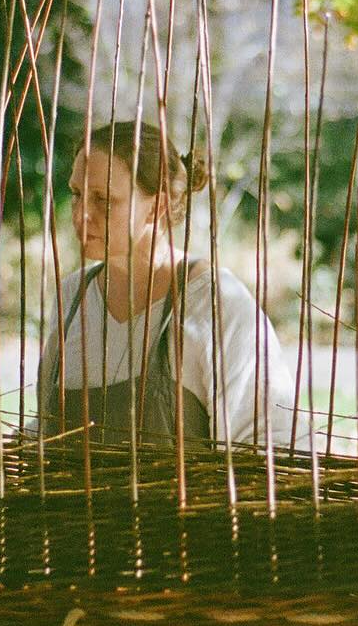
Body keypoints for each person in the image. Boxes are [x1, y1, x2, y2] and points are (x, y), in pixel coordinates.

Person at [35, 119, 306, 457]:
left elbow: (269, 448)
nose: (81, 215)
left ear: (158, 206)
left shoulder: (215, 305)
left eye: (103, 198)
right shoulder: (73, 296)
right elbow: (43, 431)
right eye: (77, 194)